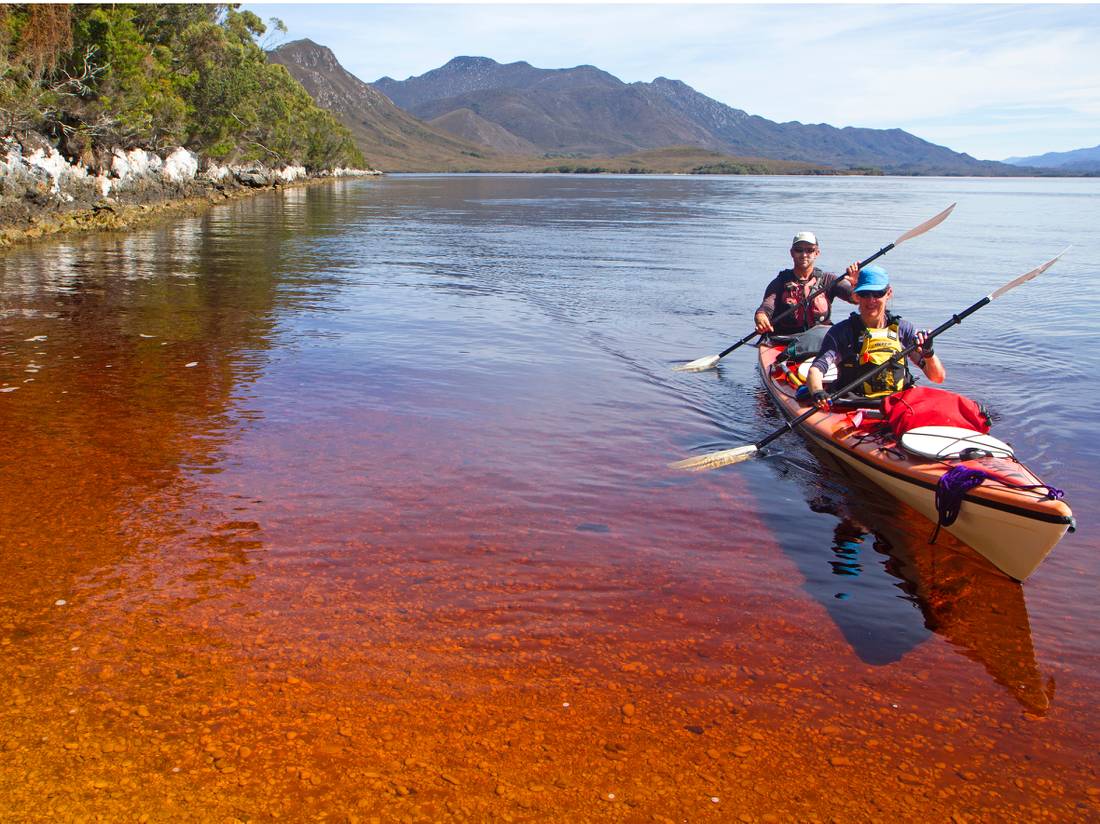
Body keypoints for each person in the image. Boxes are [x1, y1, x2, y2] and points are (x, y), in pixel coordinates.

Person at [806, 264, 943, 409]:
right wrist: (818, 392)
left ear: (888, 293)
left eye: (878, 293)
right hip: (853, 405)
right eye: (865, 293)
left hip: (897, 406)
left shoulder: (903, 330)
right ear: (857, 296)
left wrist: (928, 352)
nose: (871, 300)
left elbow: (937, 377)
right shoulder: (841, 332)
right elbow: (816, 370)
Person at [754, 231, 860, 336]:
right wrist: (761, 316)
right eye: (799, 250)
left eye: (810, 250)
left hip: (820, 341)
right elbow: (766, 307)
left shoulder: (828, 280)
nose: (804, 255)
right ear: (792, 253)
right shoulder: (780, 282)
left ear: (817, 253)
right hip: (785, 340)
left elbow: (855, 298)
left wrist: (857, 284)